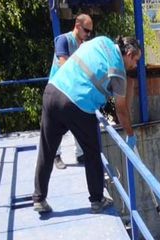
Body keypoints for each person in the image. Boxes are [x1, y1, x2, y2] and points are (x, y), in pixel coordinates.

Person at [32, 36, 141, 213]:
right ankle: (97, 200)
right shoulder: (119, 70)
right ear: (128, 54)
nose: (135, 65)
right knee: (92, 153)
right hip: (78, 104)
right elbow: (121, 110)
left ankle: (39, 198)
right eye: (135, 60)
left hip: (52, 91)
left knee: (47, 149)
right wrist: (130, 134)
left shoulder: (102, 41)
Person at [51, 14, 93, 170]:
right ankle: (55, 155)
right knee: (56, 125)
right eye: (86, 30)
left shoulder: (83, 44)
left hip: (73, 89)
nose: (88, 35)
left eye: (90, 32)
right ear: (77, 25)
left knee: (78, 121)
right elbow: (63, 64)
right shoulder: (63, 40)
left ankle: (80, 154)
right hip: (58, 88)